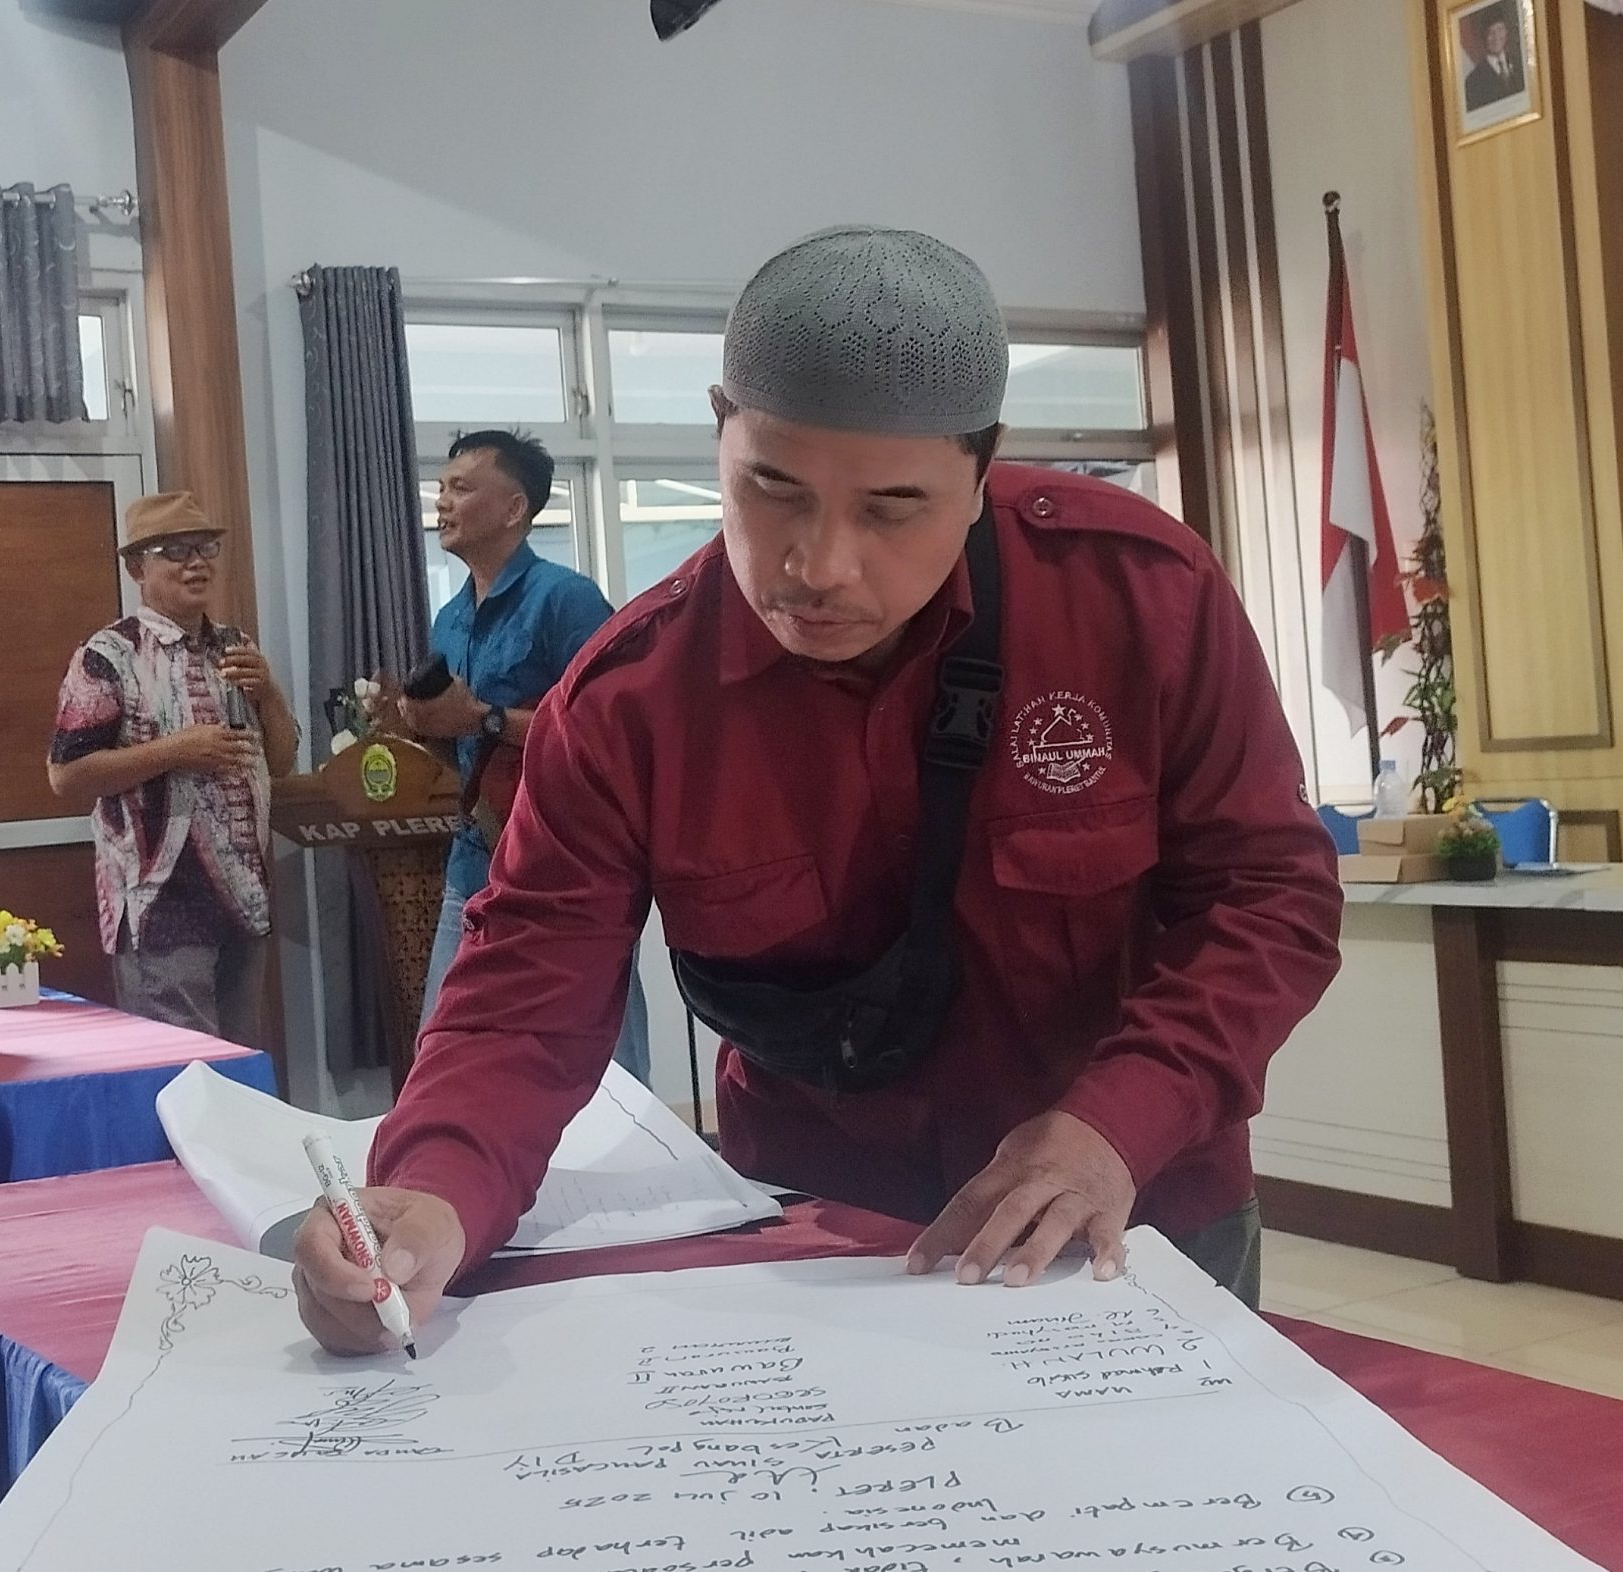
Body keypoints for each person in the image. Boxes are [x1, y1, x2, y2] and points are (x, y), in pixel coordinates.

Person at [295, 227, 1342, 1355]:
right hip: (825, 1242)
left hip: (1131, 1212)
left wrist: (1116, 1123)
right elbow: (524, 994)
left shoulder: (1137, 600)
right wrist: (433, 1193)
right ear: (720, 429)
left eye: (891, 507)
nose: (819, 566)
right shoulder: (634, 698)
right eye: (773, 488)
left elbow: (1267, 898)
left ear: (983, 469)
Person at [392, 431, 650, 1082]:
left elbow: (611, 735)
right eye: (440, 488)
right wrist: (421, 725)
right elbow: (464, 749)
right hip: (475, 862)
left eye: (461, 488)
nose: (442, 502)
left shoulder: (566, 600)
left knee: (607, 1067)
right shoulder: (450, 618)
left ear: (514, 509)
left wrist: (483, 717)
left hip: (569, 872)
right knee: (441, 1054)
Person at [49, 492, 299, 1044]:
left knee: (238, 1068)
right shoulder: (109, 655)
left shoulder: (234, 646)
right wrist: (176, 752)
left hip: (243, 901)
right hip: (160, 909)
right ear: (137, 567)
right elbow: (66, 775)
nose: (196, 563)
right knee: (184, 1073)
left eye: (206, 548)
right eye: (176, 551)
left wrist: (270, 695)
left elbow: (280, 762)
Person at [1464, 9, 1524, 112]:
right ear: (1484, 37)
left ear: (1506, 31)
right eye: (1490, 32)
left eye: (1500, 29)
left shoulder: (1521, 63)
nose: (1496, 37)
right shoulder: (1473, 81)